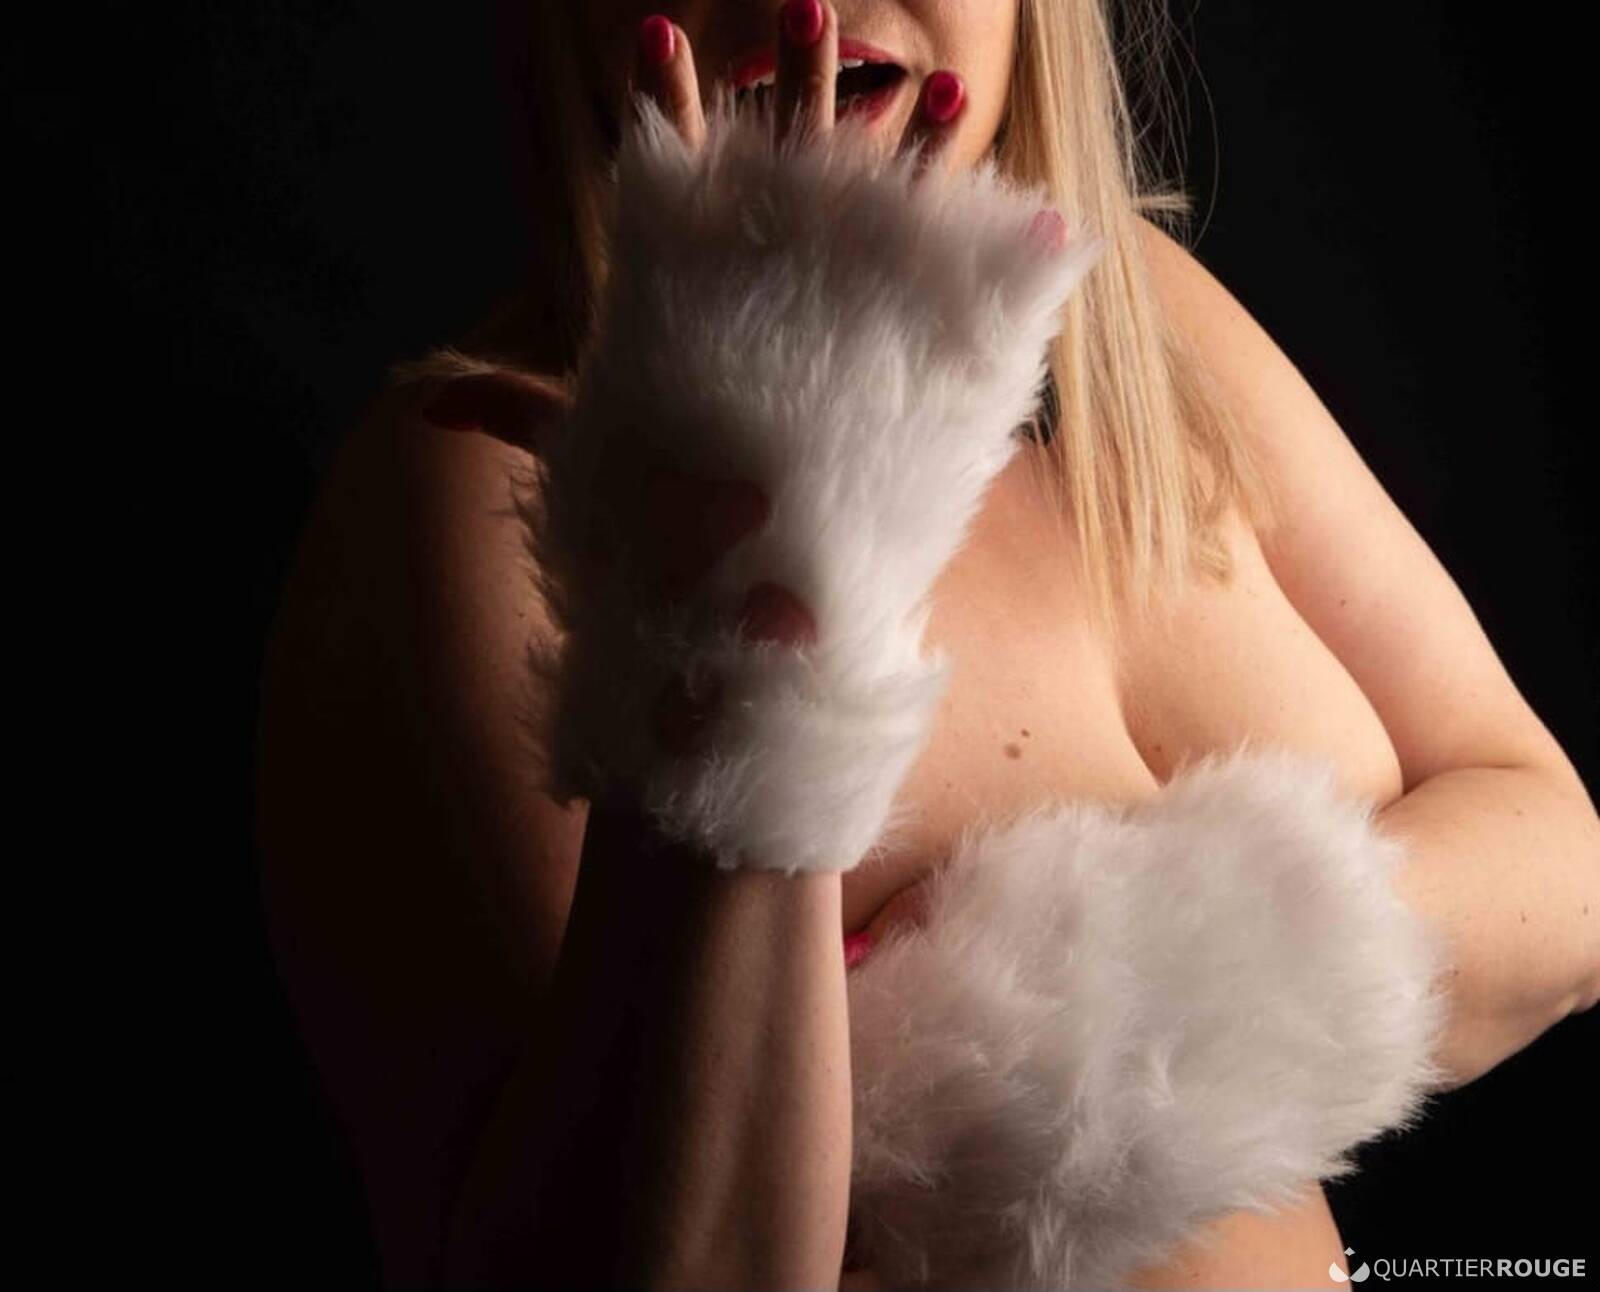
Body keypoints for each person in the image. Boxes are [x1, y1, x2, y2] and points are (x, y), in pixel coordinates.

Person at [252, 2, 1600, 1289]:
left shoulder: (1140, 326)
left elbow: (1567, 879)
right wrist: (747, 658)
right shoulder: (483, 485)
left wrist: (1009, 1015)